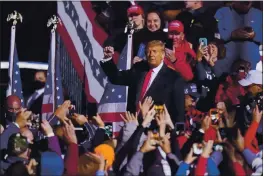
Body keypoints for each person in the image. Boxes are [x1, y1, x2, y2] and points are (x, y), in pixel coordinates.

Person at [100, 40, 185, 124]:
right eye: (148, 52)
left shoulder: (174, 78)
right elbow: (117, 78)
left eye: (155, 52)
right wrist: (108, 59)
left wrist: (176, 133)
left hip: (156, 127)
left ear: (163, 55)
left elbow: (179, 112)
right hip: (133, 122)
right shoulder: (139, 69)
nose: (151, 55)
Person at [215, 1, 263, 68]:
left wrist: (254, 35)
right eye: (242, 2)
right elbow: (215, 34)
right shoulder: (222, 12)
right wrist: (232, 34)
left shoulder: (259, 14)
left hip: (251, 62)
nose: (245, 5)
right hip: (227, 61)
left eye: (247, 3)